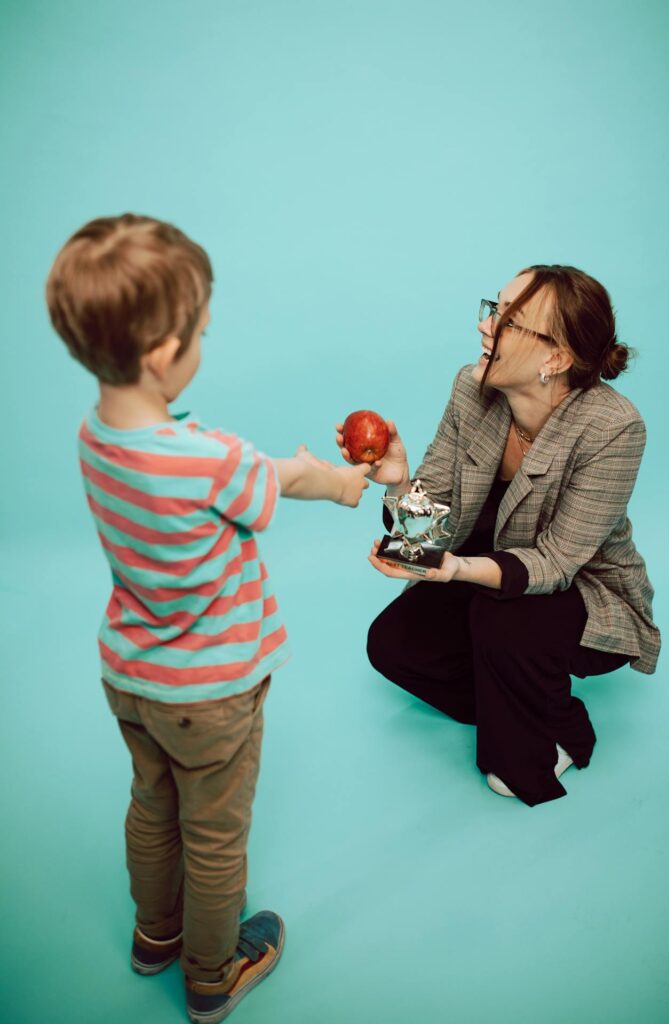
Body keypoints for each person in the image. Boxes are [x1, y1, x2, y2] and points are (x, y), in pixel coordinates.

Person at [46, 213, 371, 1023]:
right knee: (217, 837)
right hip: (214, 691)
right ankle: (211, 974)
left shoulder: (93, 438)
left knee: (151, 808)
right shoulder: (206, 459)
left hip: (133, 676)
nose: (204, 342)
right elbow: (277, 481)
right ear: (162, 354)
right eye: (199, 332)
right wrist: (337, 481)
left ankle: (154, 936)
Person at [339, 265, 661, 807]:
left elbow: (557, 563)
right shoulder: (472, 387)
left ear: (555, 358)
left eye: (508, 320)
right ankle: (519, 697)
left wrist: (458, 570)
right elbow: (431, 520)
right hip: (488, 566)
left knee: (499, 633)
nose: (487, 326)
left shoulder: (614, 427)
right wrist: (397, 483)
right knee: (393, 646)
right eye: (494, 307)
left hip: (584, 590)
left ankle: (566, 730)